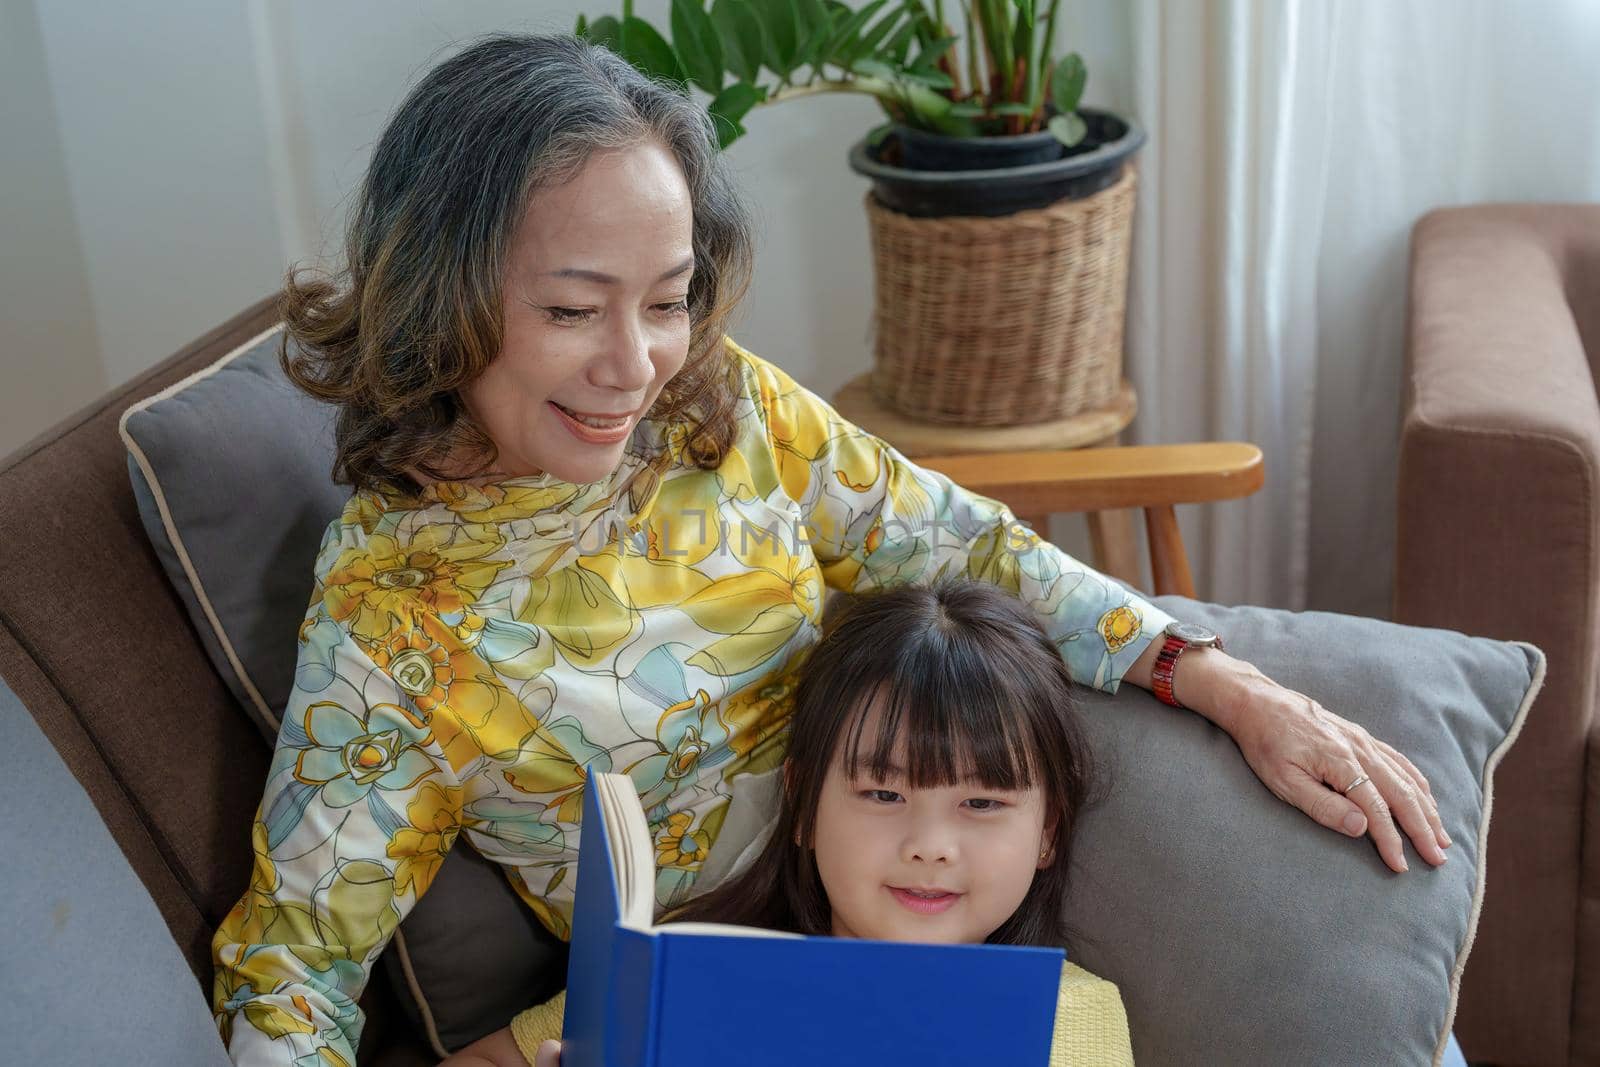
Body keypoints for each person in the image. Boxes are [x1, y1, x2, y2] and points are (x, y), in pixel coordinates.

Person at [211, 32, 1450, 1064]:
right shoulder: (392, 619)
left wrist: (1221, 681)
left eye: (667, 296)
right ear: (444, 294)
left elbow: (960, 544)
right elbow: (292, 971)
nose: (633, 365)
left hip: (952, 879)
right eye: (571, 310)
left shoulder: (719, 405)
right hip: (722, 1006)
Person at [443, 580, 1134, 1067]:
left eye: (981, 803)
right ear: (803, 805)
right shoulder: (688, 971)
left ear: (1049, 829)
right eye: (883, 794)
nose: (929, 847)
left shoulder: (1073, 1018)